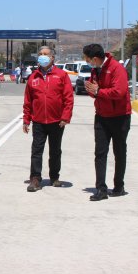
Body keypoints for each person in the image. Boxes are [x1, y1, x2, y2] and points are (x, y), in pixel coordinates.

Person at [83, 43, 131, 201]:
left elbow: (119, 91)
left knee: (119, 151)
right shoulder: (95, 70)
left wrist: (98, 91)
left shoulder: (117, 68)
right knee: (100, 153)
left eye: (88, 59)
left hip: (119, 116)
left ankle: (119, 186)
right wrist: (92, 91)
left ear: (95, 58)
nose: (87, 62)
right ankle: (101, 189)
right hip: (102, 116)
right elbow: (94, 91)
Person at [22, 46, 74, 192]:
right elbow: (28, 100)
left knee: (55, 151)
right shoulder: (33, 77)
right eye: (40, 54)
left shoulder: (62, 75)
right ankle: (35, 178)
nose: (42, 57)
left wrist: (65, 117)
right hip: (38, 121)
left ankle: (54, 176)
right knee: (36, 150)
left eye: (45, 54)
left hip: (57, 121)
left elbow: (68, 98)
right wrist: (26, 119)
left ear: (52, 58)